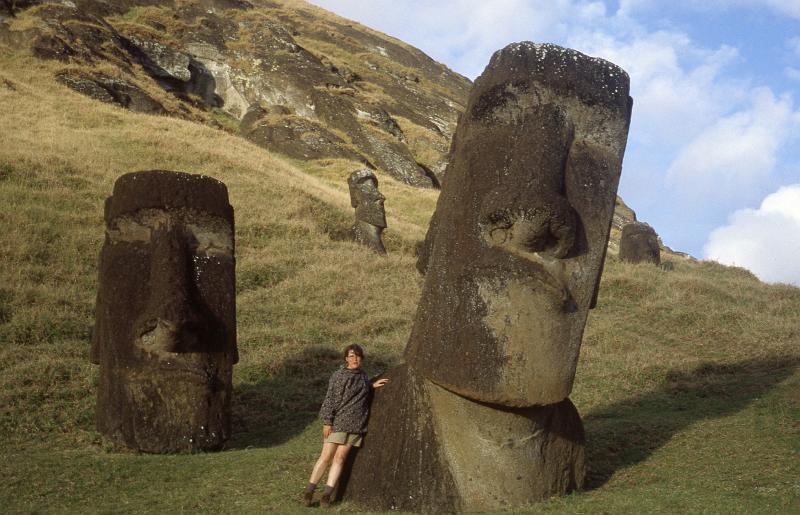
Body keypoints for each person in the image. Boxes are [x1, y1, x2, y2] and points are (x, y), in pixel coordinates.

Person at [302, 343, 389, 507]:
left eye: (357, 356)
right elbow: (330, 399)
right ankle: (309, 492)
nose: (354, 359)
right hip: (338, 422)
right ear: (346, 359)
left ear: (361, 358)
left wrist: (371, 385)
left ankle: (326, 495)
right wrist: (327, 421)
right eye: (350, 356)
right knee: (326, 457)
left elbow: (359, 390)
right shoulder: (338, 375)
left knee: (340, 458)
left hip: (356, 425)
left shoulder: (363, 376)